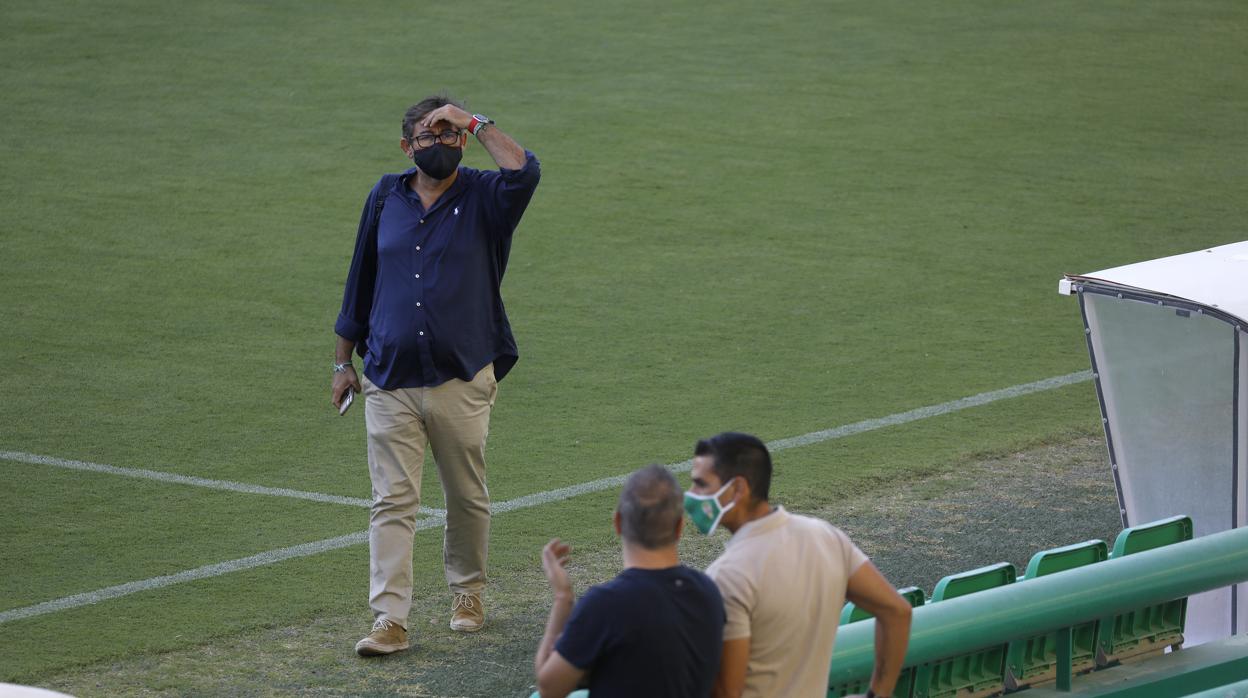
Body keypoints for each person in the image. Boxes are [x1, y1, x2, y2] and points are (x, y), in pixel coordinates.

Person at [331, 94, 540, 655]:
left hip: (461, 373)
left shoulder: (486, 196)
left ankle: (467, 592)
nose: (442, 143)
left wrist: (473, 118)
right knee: (391, 500)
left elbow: (524, 170)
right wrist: (341, 361)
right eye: (430, 135)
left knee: (465, 493)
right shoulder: (385, 196)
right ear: (408, 147)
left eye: (451, 135)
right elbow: (361, 278)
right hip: (388, 375)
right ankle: (389, 620)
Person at [686, 432, 912, 698]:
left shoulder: (726, 576)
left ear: (738, 489)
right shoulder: (825, 536)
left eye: (701, 484)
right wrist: (878, 694)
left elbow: (728, 692)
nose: (691, 496)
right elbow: (897, 612)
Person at [533, 465, 725, 698]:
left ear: (618, 523)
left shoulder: (605, 605)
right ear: (679, 527)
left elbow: (548, 689)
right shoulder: (709, 591)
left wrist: (563, 598)